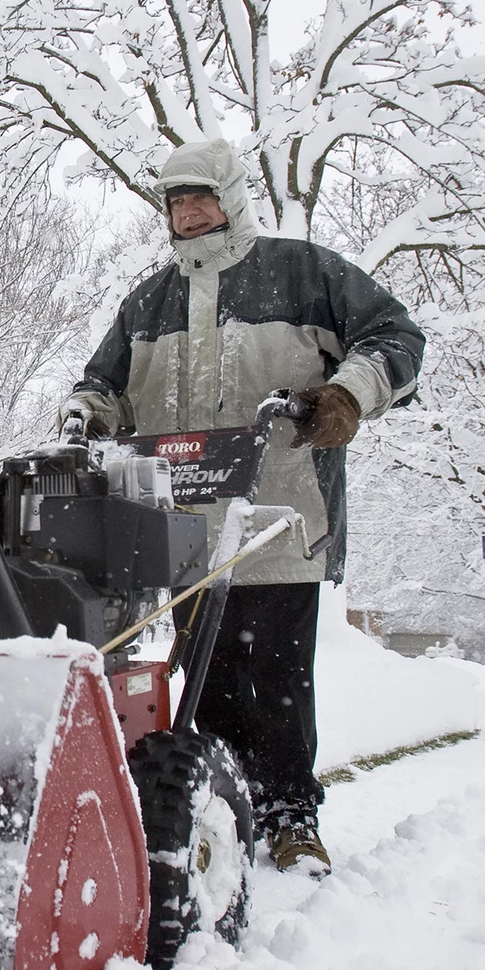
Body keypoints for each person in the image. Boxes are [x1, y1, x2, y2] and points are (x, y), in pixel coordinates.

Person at [63, 141, 424, 875]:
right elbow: (103, 385)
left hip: (278, 517)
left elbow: (396, 337)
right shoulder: (149, 300)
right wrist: (85, 417)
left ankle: (292, 815)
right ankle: (224, 809)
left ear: (231, 196)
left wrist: (347, 394)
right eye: (176, 202)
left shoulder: (301, 272)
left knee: (279, 681)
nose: (189, 213)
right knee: (207, 675)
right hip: (183, 529)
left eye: (202, 197)